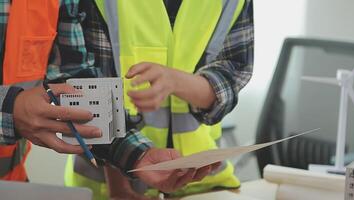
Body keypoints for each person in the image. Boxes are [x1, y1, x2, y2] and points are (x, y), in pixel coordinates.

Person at [0, 0, 216, 195]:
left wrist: (137, 155)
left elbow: (75, 78)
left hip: (12, 183)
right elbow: (15, 106)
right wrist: (10, 109)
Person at [59, 0, 254, 199]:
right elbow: (88, 90)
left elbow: (231, 76)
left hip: (202, 183)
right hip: (110, 187)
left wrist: (176, 81)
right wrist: (119, 188)